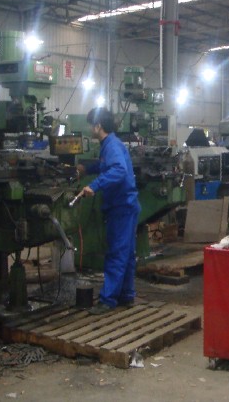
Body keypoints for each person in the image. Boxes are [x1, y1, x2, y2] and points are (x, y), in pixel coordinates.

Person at [77, 108, 141, 315]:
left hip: (121, 208)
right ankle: (126, 295)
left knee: (116, 253)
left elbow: (119, 170)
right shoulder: (110, 144)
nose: (90, 129)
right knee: (127, 254)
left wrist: (94, 186)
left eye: (91, 125)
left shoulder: (111, 145)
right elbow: (106, 165)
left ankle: (107, 300)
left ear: (98, 126)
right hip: (126, 205)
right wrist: (87, 169)